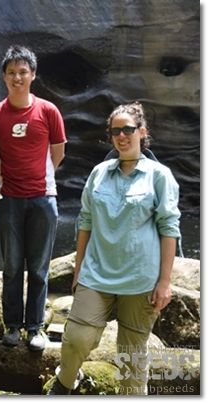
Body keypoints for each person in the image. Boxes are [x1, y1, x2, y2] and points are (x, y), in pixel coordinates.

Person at [49, 102, 181, 395]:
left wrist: (165, 281)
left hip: (140, 280)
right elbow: (85, 221)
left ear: (142, 132)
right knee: (77, 337)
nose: (121, 136)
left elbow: (169, 228)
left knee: (132, 356)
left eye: (128, 130)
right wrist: (79, 267)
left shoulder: (159, 176)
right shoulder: (98, 173)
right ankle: (66, 381)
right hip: (97, 273)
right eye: (115, 131)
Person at [0, 45, 67, 351]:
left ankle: (36, 328)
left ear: (32, 75)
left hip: (44, 197)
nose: (17, 77)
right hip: (9, 199)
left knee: (40, 268)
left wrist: (40, 178)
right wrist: (1, 177)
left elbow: (58, 152)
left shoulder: (48, 111)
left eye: (23, 72)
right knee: (12, 266)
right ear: (4, 77)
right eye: (11, 72)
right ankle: (13, 326)